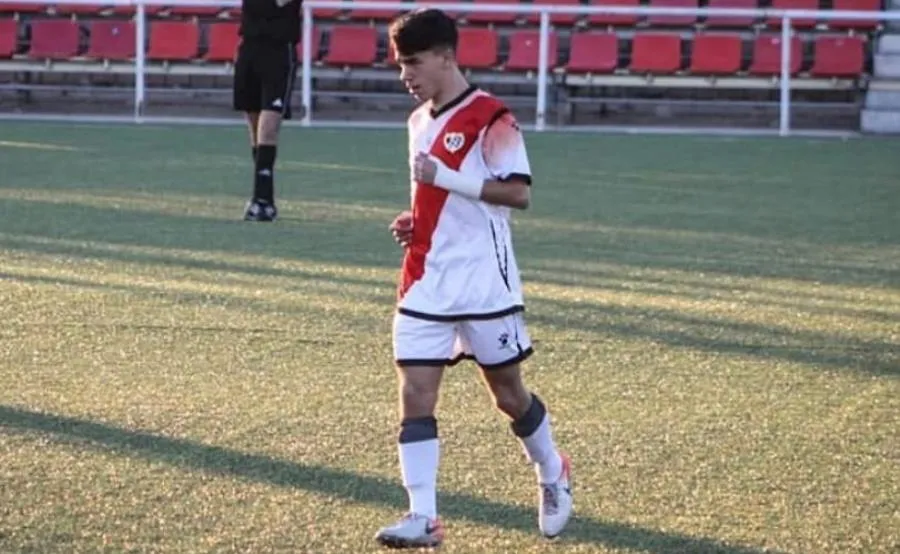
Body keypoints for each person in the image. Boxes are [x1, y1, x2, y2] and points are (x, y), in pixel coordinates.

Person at [374, 8, 573, 549]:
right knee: (415, 394)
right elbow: (436, 197)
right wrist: (415, 219)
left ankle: (553, 470)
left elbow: (518, 194)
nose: (405, 75)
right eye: (399, 65)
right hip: (425, 281)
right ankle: (423, 517)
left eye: (413, 63)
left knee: (508, 394)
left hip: (485, 284)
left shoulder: (492, 117)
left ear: (446, 56)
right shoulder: (417, 123)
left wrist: (449, 179)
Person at [233, 0, 302, 221]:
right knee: (254, 129)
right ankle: (262, 199)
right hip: (250, 48)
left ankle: (263, 201)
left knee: (269, 126)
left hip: (279, 51)